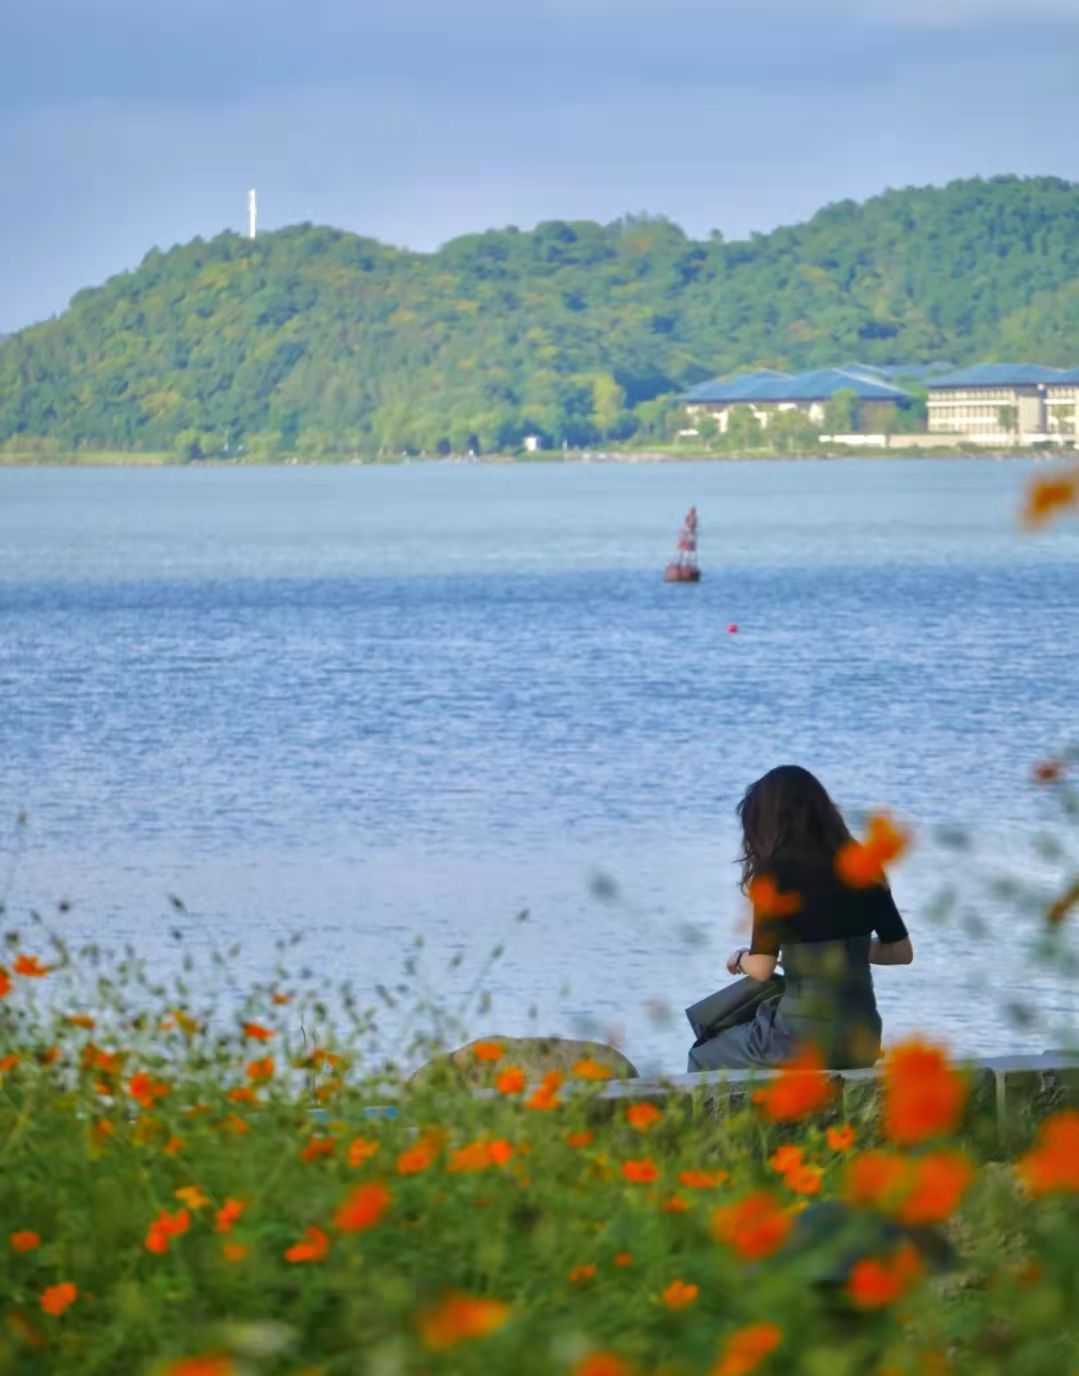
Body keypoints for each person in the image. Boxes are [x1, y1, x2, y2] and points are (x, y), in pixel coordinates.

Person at [688, 765, 913, 1072]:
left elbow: (762, 968)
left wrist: (739, 958)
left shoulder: (774, 876)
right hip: (862, 1039)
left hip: (800, 1041)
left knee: (704, 1054)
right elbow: (901, 953)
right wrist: (848, 950)